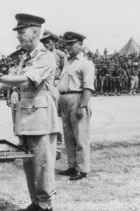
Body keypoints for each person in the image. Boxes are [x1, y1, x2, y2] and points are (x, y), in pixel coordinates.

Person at [0, 13, 59, 211]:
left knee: (42, 164)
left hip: (40, 119)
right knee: (29, 163)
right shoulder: (25, 58)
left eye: (21, 32)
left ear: (35, 32)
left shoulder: (46, 56)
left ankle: (45, 206)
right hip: (25, 117)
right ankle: (35, 202)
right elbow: (10, 82)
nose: (18, 37)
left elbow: (25, 80)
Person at [58, 31, 95, 181]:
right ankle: (72, 165)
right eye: (67, 45)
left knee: (81, 136)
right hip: (65, 98)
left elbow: (88, 87)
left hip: (77, 98)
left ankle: (82, 169)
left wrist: (82, 105)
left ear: (80, 45)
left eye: (72, 44)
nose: (69, 47)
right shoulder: (68, 62)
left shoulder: (86, 63)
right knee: (68, 136)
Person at [40, 30, 67, 161]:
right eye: (44, 42)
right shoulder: (40, 55)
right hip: (43, 88)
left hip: (55, 86)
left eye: (48, 42)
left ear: (54, 42)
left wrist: (58, 86)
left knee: (55, 119)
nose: (46, 44)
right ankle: (45, 147)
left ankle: (56, 148)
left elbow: (65, 72)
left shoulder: (60, 55)